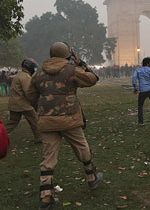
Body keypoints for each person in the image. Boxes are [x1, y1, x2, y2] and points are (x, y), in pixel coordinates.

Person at [27, 42, 103, 209]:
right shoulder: (72, 70)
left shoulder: (38, 73)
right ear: (68, 55)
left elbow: (30, 95)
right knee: (82, 148)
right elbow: (92, 79)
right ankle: (91, 178)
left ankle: (46, 196)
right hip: (70, 119)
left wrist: (42, 108)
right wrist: (80, 63)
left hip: (47, 121)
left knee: (48, 158)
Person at [5, 59, 42, 143]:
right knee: (35, 120)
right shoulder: (25, 77)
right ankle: (40, 138)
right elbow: (29, 92)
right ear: (29, 67)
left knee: (12, 122)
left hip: (15, 103)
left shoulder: (20, 75)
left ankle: (1, 133)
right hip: (23, 104)